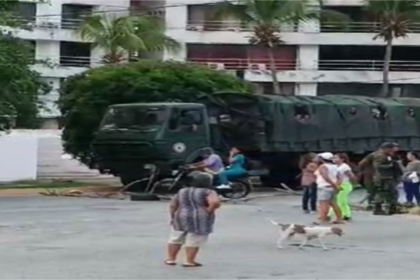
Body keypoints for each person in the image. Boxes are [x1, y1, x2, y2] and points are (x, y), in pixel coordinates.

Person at [165, 172, 221, 267]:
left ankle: (171, 259)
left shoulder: (182, 191)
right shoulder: (208, 192)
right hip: (200, 217)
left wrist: (172, 216)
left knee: (175, 238)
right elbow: (214, 202)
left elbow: (172, 205)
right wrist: (209, 210)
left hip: (181, 215)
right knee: (194, 239)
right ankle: (189, 261)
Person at [314, 152, 343, 224]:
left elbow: (325, 177)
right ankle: (339, 218)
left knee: (323, 204)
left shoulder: (323, 166)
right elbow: (339, 177)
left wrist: (334, 185)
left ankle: (322, 219)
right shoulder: (335, 166)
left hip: (324, 187)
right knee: (334, 204)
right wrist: (336, 185)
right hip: (331, 188)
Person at [371, 142, 400, 215]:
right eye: (391, 149)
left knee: (391, 193)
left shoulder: (387, 155)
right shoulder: (380, 155)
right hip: (383, 178)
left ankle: (391, 208)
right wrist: (390, 165)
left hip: (387, 177)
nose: (393, 150)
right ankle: (378, 209)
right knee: (383, 193)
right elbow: (377, 166)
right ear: (386, 148)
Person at [328, 153, 356, 221]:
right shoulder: (335, 166)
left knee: (337, 201)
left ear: (342, 159)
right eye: (333, 158)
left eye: (336, 158)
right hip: (338, 184)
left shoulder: (345, 167)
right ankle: (346, 214)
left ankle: (329, 215)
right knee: (343, 201)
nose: (334, 159)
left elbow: (351, 176)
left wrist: (354, 183)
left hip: (344, 185)